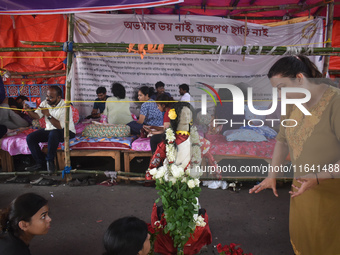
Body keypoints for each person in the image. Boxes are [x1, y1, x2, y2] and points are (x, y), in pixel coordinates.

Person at [249, 55, 340, 255]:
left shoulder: (336, 102)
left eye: (281, 88)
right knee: (302, 243)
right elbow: (282, 140)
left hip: (332, 198)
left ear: (299, 78)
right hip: (301, 193)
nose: (280, 95)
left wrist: (318, 178)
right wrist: (272, 175)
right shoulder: (293, 103)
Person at [24, 86, 76, 173]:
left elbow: (59, 127)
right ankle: (40, 163)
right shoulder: (45, 103)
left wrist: (48, 115)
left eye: (51, 97)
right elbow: (36, 116)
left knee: (54, 133)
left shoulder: (66, 106)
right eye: (47, 96)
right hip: (50, 130)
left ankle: (50, 161)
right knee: (30, 137)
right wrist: (28, 110)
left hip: (67, 131)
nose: (48, 99)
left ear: (58, 97)